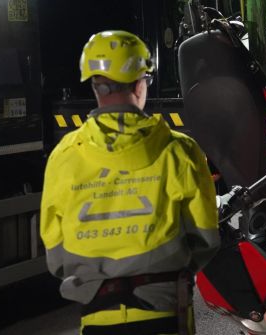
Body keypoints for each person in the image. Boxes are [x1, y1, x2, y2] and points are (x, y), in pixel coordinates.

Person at [40, 30, 219, 335]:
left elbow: (56, 252)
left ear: (95, 85)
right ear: (140, 84)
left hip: (98, 317)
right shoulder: (179, 150)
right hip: (164, 312)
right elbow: (205, 239)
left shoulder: (65, 156)